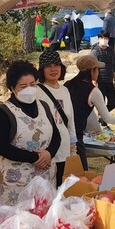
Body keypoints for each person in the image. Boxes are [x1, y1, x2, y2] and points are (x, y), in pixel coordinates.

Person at [0, 60, 60, 204]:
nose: (29, 89)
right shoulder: (3, 112)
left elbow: (56, 135)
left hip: (45, 179)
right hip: (16, 184)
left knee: (44, 219)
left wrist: (49, 153)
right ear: (12, 88)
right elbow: (2, 147)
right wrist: (34, 158)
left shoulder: (45, 107)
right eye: (23, 86)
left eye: (33, 84)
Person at [65, 54, 115, 169]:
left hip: (63, 133)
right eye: (97, 69)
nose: (98, 72)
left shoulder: (68, 84)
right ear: (92, 70)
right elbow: (107, 118)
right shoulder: (93, 90)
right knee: (81, 173)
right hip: (76, 135)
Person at [35, 50, 76, 184]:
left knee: (63, 189)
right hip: (47, 151)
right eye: (48, 66)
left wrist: (73, 146)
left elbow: (70, 121)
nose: (53, 69)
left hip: (64, 148)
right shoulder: (37, 91)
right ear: (42, 69)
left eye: (56, 65)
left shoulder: (65, 90)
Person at [90, 31, 115, 111]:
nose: (104, 40)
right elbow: (92, 67)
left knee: (112, 103)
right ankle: (102, 119)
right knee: (100, 102)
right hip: (99, 81)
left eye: (106, 38)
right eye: (102, 38)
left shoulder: (110, 50)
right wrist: (93, 81)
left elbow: (114, 65)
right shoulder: (95, 51)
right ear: (98, 39)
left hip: (109, 81)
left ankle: (103, 117)